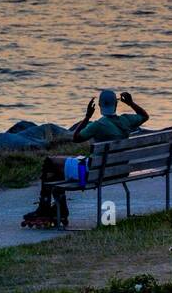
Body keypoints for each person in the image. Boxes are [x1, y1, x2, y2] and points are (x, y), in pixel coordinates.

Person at [21, 89, 150, 228]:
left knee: (50, 162)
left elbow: (76, 138)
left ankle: (45, 207)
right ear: (116, 105)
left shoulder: (97, 125)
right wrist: (131, 103)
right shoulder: (126, 120)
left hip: (94, 173)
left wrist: (87, 117)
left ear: (100, 105)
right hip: (119, 170)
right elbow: (144, 116)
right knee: (60, 165)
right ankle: (59, 209)